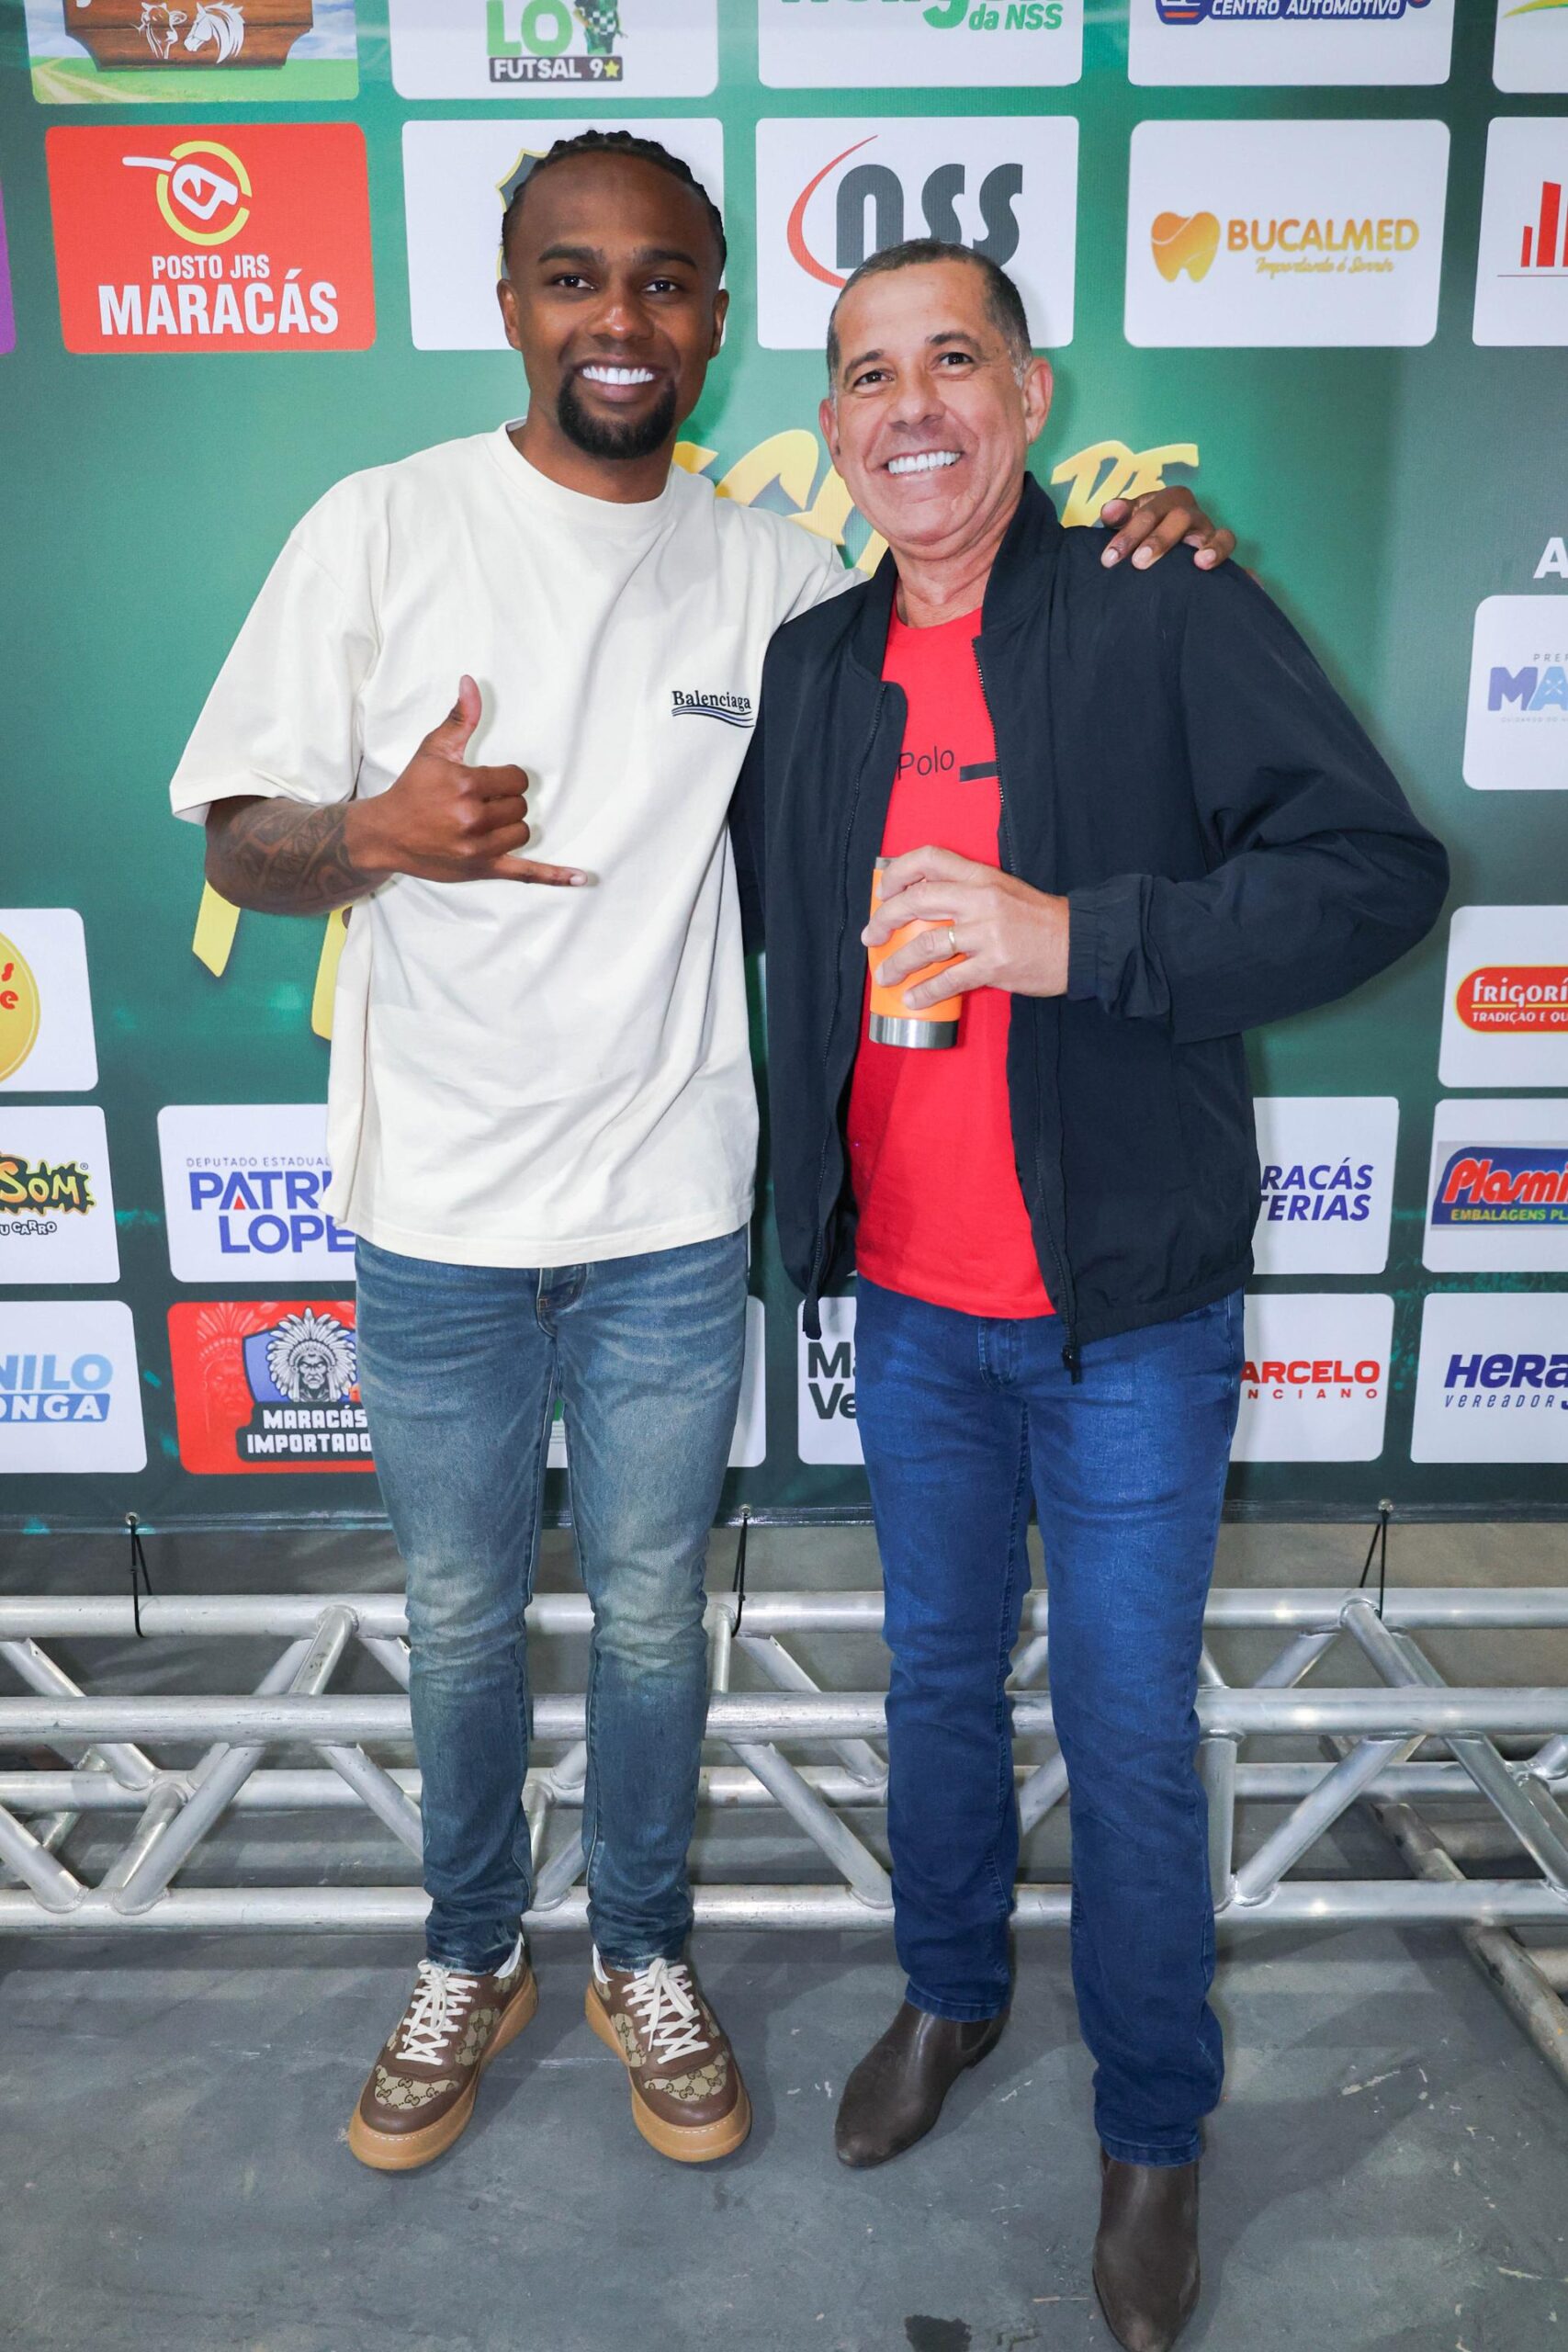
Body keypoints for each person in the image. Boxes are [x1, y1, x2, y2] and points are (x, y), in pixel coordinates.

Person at [168, 134, 1236, 2179]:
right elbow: (236, 840)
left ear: (714, 320)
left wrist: (1149, 541)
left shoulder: (775, 576)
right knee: (462, 1615)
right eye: (572, 278)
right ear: (510, 304)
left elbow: (968, 601)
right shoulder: (379, 525)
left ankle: (639, 1948)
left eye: (660, 282)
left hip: (671, 1209)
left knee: (656, 1615)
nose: (619, 319)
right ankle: (468, 1948)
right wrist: (370, 836)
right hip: (435, 1210)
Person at [737, 239, 1447, 2349]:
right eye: (867, 373)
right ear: (831, 426)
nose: (909, 406)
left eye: (951, 358)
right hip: (910, 1310)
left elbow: (1372, 873)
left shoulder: (1159, 600)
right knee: (934, 1685)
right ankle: (948, 1992)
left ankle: (1151, 2126)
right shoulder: (806, 665)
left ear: (1027, 396)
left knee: (1126, 1730)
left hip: (1123, 1314)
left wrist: (1082, 939)